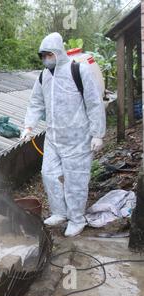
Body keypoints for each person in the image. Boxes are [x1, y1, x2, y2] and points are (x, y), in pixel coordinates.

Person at [21, 32, 106, 237]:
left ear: (58, 52)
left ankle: (77, 219)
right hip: (53, 138)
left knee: (75, 181)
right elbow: (36, 103)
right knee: (49, 174)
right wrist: (28, 127)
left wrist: (97, 134)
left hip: (78, 138)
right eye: (43, 55)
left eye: (48, 54)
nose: (45, 59)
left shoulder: (79, 70)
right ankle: (60, 212)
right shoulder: (44, 76)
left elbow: (94, 103)